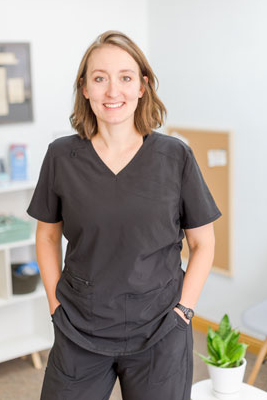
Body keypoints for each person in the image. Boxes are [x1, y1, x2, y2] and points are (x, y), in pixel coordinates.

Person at [27, 30, 222, 400]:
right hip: (79, 327)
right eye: (100, 78)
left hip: (161, 328)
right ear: (84, 88)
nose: (112, 91)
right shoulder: (61, 157)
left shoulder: (175, 156)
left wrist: (184, 312)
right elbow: (48, 235)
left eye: (125, 78)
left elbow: (203, 243)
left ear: (142, 87)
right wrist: (55, 307)